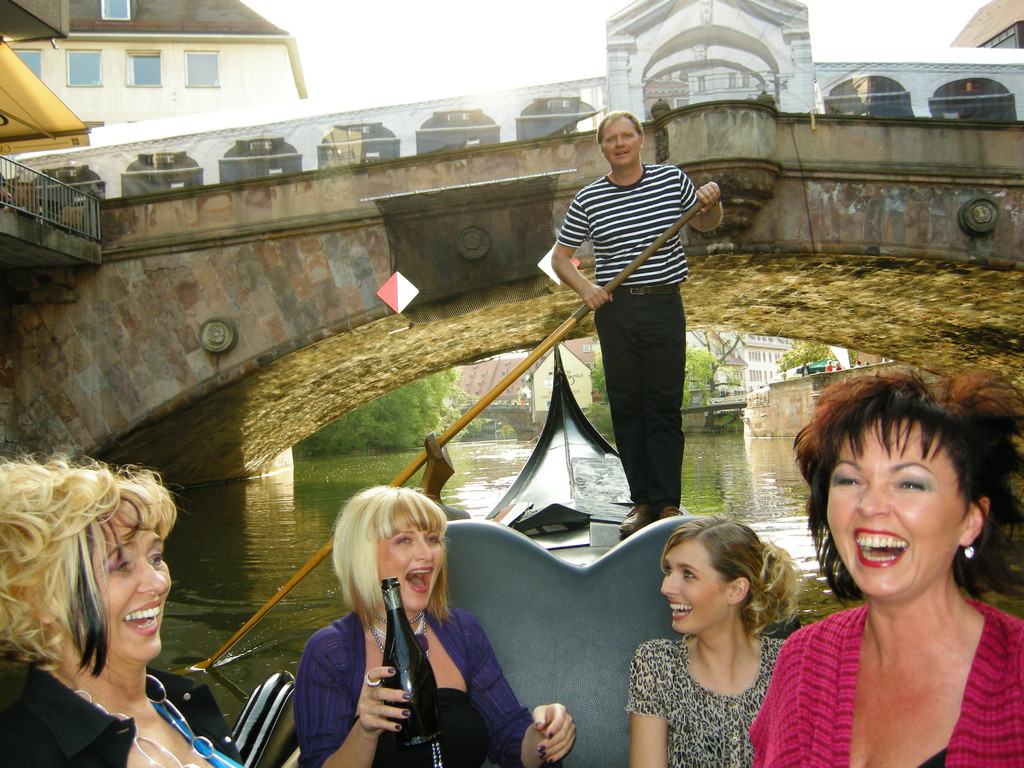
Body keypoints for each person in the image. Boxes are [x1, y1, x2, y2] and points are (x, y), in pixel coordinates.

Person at [750, 369, 1024, 767]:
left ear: (971, 519)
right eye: (849, 480)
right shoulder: (803, 660)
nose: (869, 506)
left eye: (910, 483)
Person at [294, 485, 576, 768]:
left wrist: (544, 735)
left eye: (432, 539)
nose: (427, 554)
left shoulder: (462, 631)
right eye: (404, 540)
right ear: (363, 555)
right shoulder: (330, 652)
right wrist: (365, 732)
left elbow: (508, 738)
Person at [0, 455, 243, 767]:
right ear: (42, 598)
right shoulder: (22, 753)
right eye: (119, 566)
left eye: (155, 557)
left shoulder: (179, 704)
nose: (157, 583)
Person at [551, 110, 723, 536]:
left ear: (640, 140)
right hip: (616, 309)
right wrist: (586, 288)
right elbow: (560, 258)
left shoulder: (670, 181)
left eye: (627, 136)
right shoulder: (589, 198)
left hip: (664, 304)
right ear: (603, 147)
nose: (620, 143)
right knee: (628, 407)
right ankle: (642, 501)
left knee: (663, 406)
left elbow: (704, 224)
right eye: (612, 139)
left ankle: (667, 504)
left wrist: (710, 204)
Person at [627, 517, 800, 768]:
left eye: (688, 574)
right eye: (668, 571)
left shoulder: (789, 664)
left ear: (735, 590)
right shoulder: (657, 663)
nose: (666, 587)